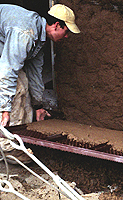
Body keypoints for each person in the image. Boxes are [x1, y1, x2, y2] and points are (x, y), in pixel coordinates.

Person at [0, 4, 80, 164]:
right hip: (5, 59)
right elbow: (7, 71)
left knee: (24, 83)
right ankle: (7, 147)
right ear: (57, 25)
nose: (67, 37)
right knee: (17, 87)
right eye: (67, 31)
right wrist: (4, 109)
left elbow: (35, 73)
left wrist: (38, 105)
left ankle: (22, 140)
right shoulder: (25, 33)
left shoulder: (39, 37)